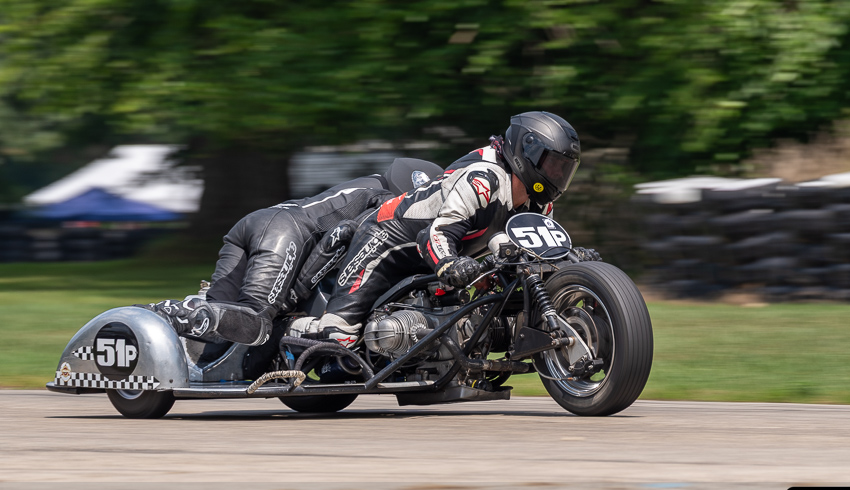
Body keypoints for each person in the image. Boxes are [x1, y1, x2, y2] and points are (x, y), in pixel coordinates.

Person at [292, 111, 600, 347]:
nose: (557, 176)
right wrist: (450, 263)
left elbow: (530, 254)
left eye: (564, 169)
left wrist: (567, 258)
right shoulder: (483, 180)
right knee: (339, 337)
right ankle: (287, 330)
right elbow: (434, 236)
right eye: (552, 166)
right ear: (525, 152)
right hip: (387, 238)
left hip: (433, 255)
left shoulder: (538, 204)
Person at [138, 158, 443, 345]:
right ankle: (169, 315)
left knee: (223, 326)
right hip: (285, 230)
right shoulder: (386, 201)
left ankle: (163, 321)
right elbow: (340, 236)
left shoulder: (368, 185)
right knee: (255, 321)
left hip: (261, 221)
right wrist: (294, 295)